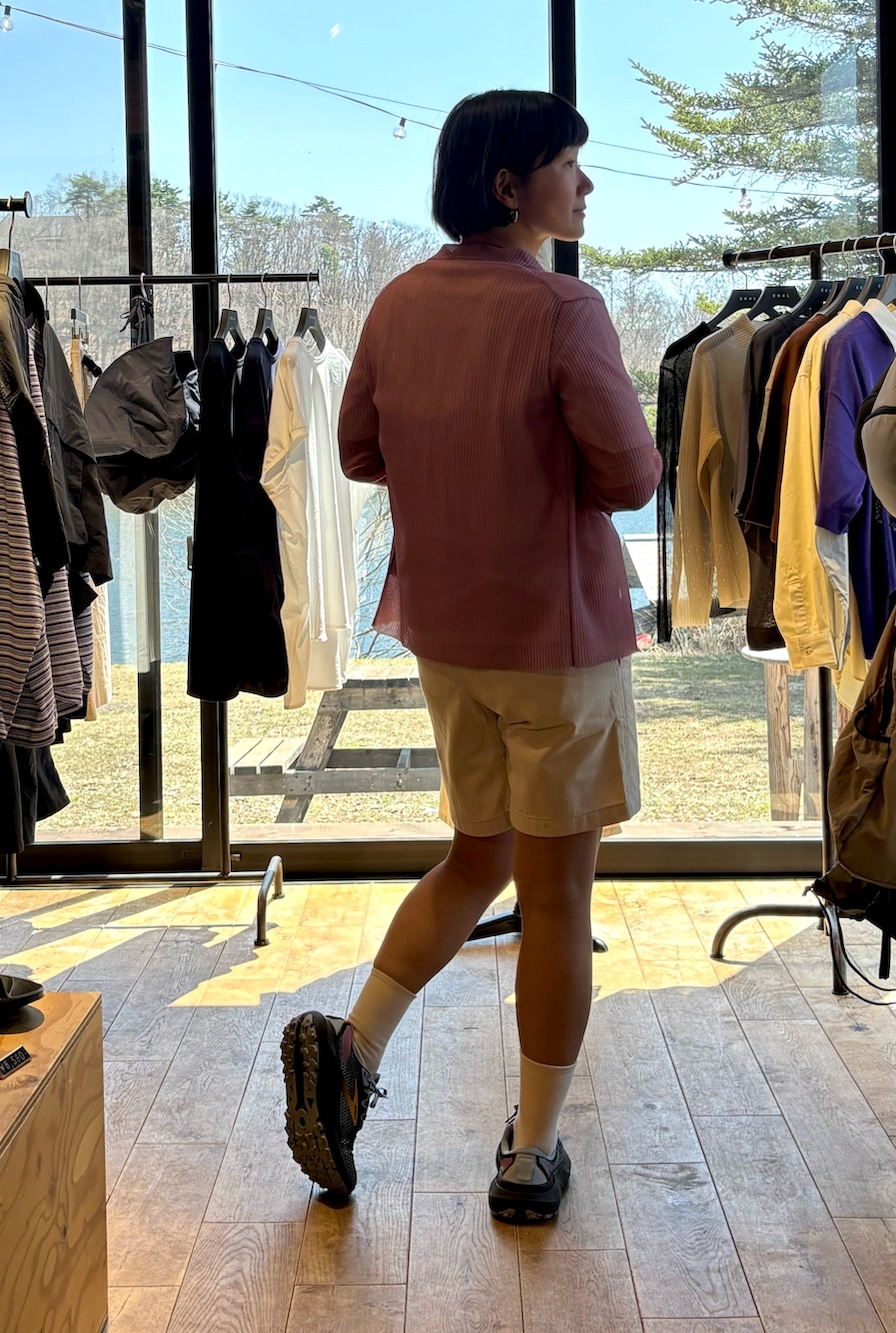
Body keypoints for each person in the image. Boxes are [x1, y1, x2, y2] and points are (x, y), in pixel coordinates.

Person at [281, 88, 662, 1224]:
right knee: (557, 898)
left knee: (474, 859)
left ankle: (353, 1055)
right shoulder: (564, 309)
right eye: (568, 164)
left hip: (448, 638)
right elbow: (633, 476)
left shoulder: (398, 302)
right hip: (557, 642)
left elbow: (357, 451)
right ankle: (531, 1153)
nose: (584, 184)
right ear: (509, 185)